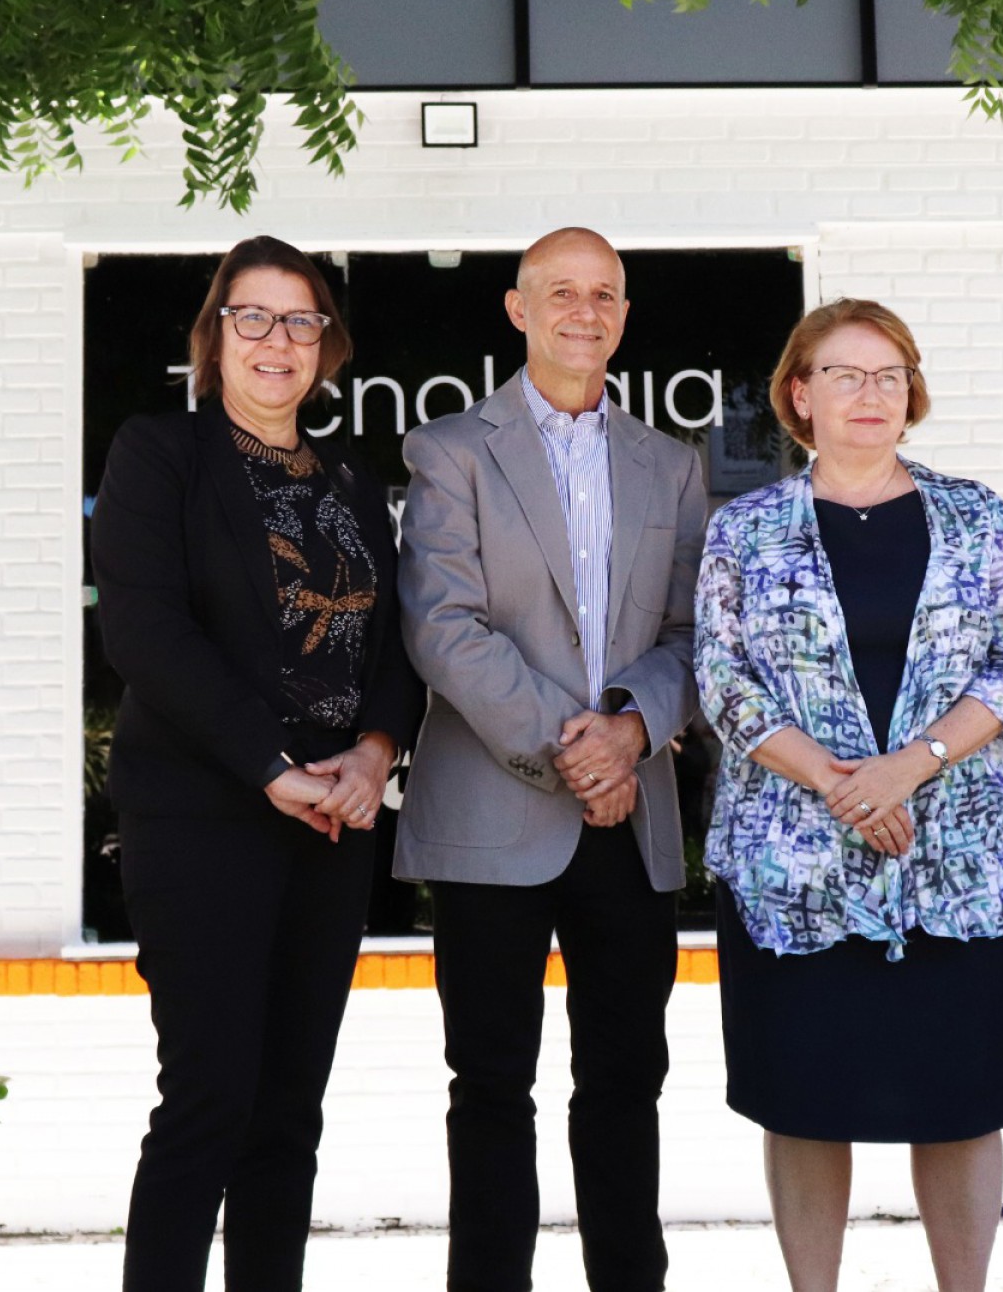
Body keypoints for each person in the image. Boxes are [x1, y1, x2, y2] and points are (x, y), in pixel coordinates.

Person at [695, 298, 1003, 1292]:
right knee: (804, 1101)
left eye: (888, 373)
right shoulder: (748, 529)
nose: (869, 393)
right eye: (844, 374)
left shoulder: (977, 515)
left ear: (913, 391)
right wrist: (843, 783)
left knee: (961, 1098)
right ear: (799, 393)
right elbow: (724, 684)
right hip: (794, 874)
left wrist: (912, 765)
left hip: (958, 864)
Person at [90, 235, 423, 1292]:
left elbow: (395, 644)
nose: (278, 340)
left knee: (288, 1112)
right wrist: (273, 766)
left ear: (327, 344)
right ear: (216, 336)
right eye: (254, 318)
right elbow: (143, 633)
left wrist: (373, 754)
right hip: (202, 819)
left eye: (301, 320)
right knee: (208, 1099)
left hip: (331, 827)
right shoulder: (161, 453)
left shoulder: (352, 480)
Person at [394, 227, 707, 1292]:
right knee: (489, 1089)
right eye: (561, 292)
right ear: (518, 309)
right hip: (494, 815)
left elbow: (692, 636)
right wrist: (573, 750)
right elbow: (444, 627)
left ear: (624, 315)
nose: (586, 311)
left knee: (626, 1084)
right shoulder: (449, 451)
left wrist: (629, 728)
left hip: (633, 816)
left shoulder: (671, 464)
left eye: (606, 295)